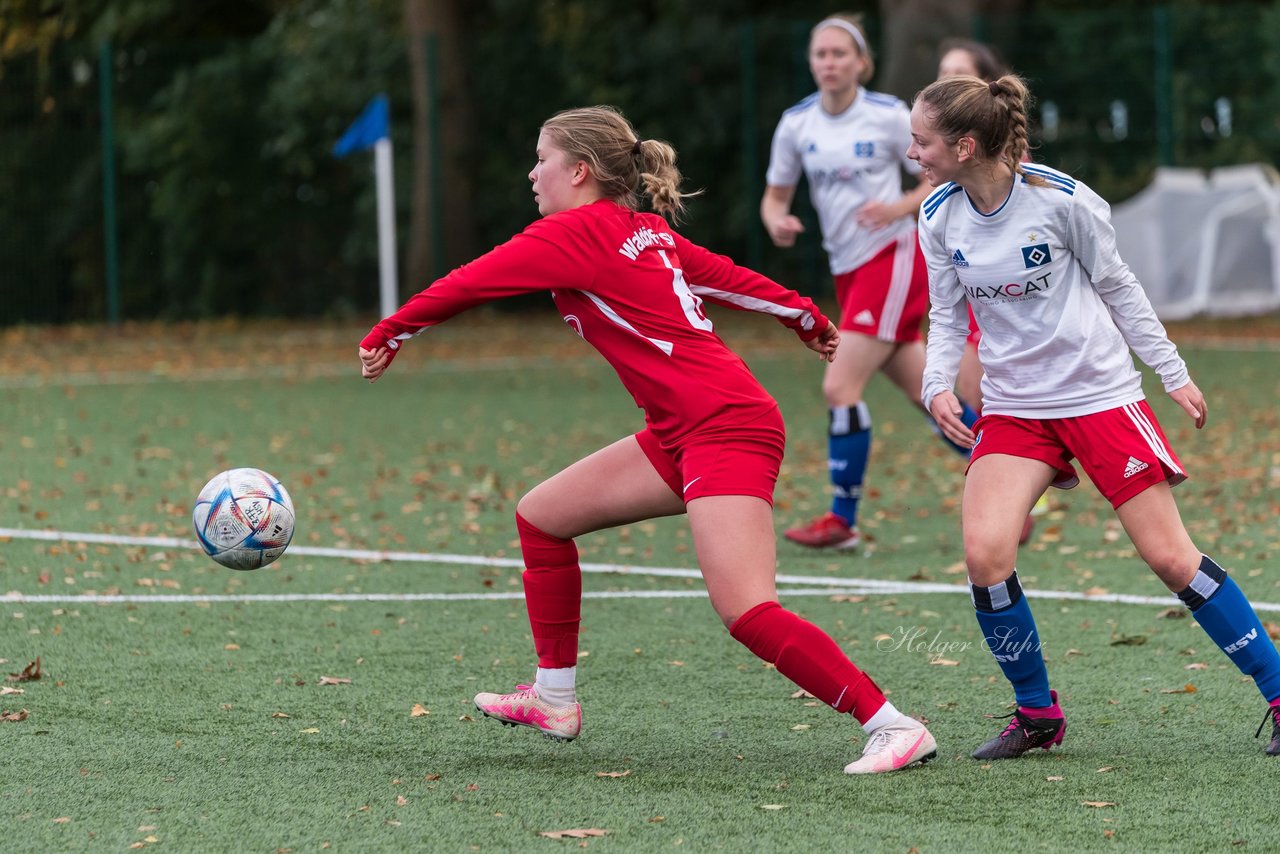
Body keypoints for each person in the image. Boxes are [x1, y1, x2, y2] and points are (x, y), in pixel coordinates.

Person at [358, 105, 937, 775]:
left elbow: (471, 281)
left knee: (748, 609)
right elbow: (728, 276)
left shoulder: (572, 234)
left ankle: (891, 725)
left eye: (541, 159)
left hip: (725, 426)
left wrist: (389, 332)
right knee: (542, 518)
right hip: (685, 430)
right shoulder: (643, 230)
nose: (531, 173)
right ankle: (554, 698)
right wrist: (803, 316)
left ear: (577, 171)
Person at [909, 73, 1280, 758]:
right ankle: (1037, 714)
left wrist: (1173, 373)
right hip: (1016, 409)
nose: (912, 155)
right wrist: (938, 385)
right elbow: (944, 313)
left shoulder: (1062, 201)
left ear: (963, 146)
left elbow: (1121, 287)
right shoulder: (937, 216)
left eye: (920, 142)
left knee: (1171, 558)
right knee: (985, 555)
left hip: (1099, 398)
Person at [761, 14, 979, 551]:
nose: (829, 63)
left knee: (839, 384)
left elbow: (938, 175)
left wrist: (897, 207)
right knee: (927, 392)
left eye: (840, 54)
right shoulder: (797, 125)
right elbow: (775, 197)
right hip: (849, 271)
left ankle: (842, 519)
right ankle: (1016, 468)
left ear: (862, 63)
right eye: (821, 54)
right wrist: (776, 222)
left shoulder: (888, 116)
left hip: (893, 258)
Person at [935, 37, 1047, 543]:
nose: (947, 81)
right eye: (942, 73)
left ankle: (1021, 489)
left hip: (1015, 298)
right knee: (967, 396)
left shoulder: (1014, 164)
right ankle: (1009, 494)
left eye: (959, 73)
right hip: (970, 285)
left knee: (992, 397)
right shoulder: (938, 177)